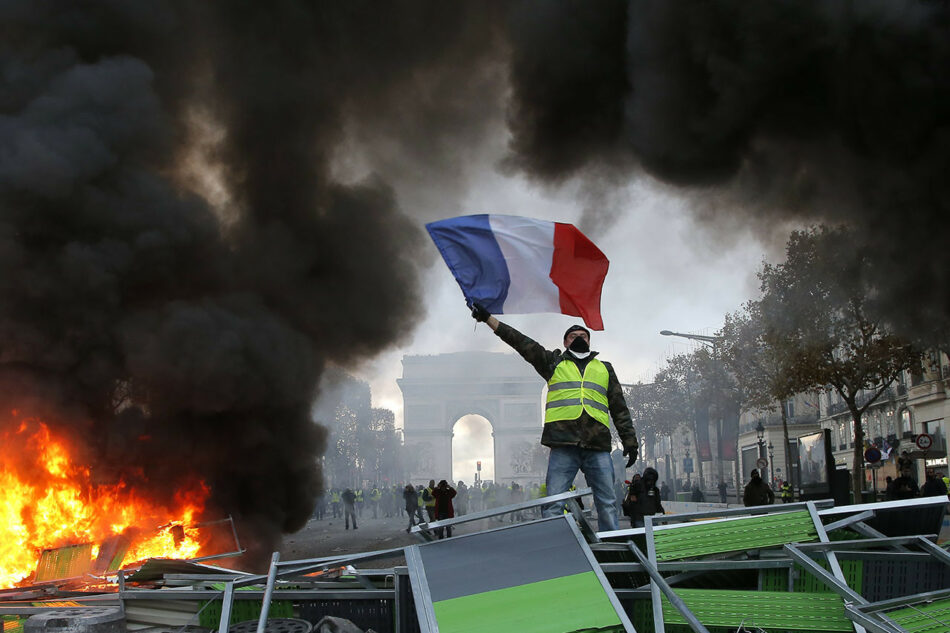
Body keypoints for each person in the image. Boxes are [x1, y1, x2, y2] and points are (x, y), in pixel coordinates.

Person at [471, 305, 638, 532]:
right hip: (563, 444)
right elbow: (521, 342)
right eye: (573, 336)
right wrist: (489, 319)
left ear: (589, 341)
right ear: (565, 343)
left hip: (597, 444)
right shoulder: (552, 363)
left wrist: (630, 440)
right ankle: (556, 546)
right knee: (553, 504)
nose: (578, 338)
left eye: (583, 335)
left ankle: (614, 550)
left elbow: (619, 408)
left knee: (607, 503)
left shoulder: (605, 368)